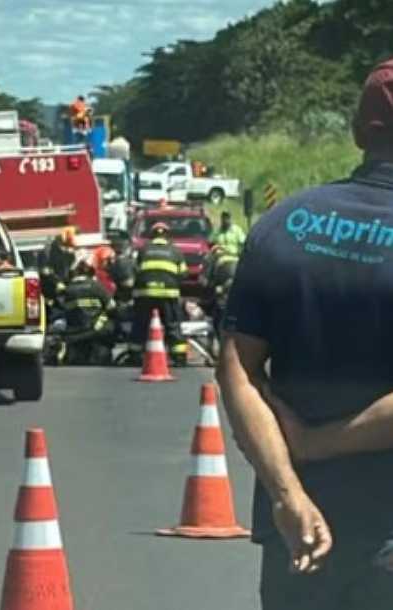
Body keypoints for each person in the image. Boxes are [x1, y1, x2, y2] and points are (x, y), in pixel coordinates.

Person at [217, 59, 393, 610]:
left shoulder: (285, 223)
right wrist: (324, 441)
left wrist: (288, 492)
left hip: (296, 533)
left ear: (359, 131)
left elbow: (238, 370)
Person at [129, 222, 188, 365]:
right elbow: (183, 273)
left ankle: (135, 354)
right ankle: (178, 355)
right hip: (168, 294)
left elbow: (135, 271)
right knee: (172, 324)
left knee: (140, 324)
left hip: (145, 293)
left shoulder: (143, 250)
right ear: (167, 235)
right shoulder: (175, 251)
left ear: (152, 235)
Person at [58, 258, 116, 365]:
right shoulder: (97, 287)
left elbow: (61, 309)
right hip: (95, 329)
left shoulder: (68, 290)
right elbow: (112, 306)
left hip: (73, 331)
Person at [199, 245, 238, 342]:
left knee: (219, 317)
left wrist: (204, 300)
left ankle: (222, 344)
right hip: (238, 290)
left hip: (224, 290)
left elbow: (205, 282)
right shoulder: (234, 255)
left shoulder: (211, 258)